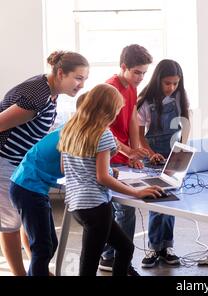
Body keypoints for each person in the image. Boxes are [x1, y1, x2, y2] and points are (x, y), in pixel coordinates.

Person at [58, 83, 165, 276]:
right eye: (117, 110)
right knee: (90, 264)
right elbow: (102, 177)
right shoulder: (103, 134)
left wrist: (107, 169)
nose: (117, 114)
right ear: (108, 110)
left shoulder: (70, 129)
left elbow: (64, 168)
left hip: (76, 205)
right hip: (96, 207)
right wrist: (136, 192)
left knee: (124, 248)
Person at [0, 51, 89, 275]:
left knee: (25, 218)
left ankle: (37, 268)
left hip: (19, 164)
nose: (81, 84)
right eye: (78, 78)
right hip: (5, 161)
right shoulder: (38, 96)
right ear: (61, 73)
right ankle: (20, 274)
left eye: (84, 79)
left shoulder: (49, 91)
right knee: (10, 224)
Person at [100, 44, 153, 275]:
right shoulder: (109, 89)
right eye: (137, 72)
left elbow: (132, 117)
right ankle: (117, 258)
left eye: (144, 73)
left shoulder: (131, 87)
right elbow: (102, 129)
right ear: (123, 67)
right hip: (108, 155)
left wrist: (134, 149)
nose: (141, 77)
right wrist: (126, 151)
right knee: (124, 210)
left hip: (122, 155)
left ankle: (111, 255)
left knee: (121, 209)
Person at [137, 59, 191, 268]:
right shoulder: (144, 102)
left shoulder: (180, 97)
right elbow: (140, 136)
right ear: (158, 80)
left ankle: (166, 246)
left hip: (173, 153)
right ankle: (153, 247)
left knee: (169, 202)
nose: (171, 88)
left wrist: (183, 148)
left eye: (175, 83)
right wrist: (150, 153)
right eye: (167, 83)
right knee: (156, 201)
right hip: (153, 157)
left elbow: (186, 123)